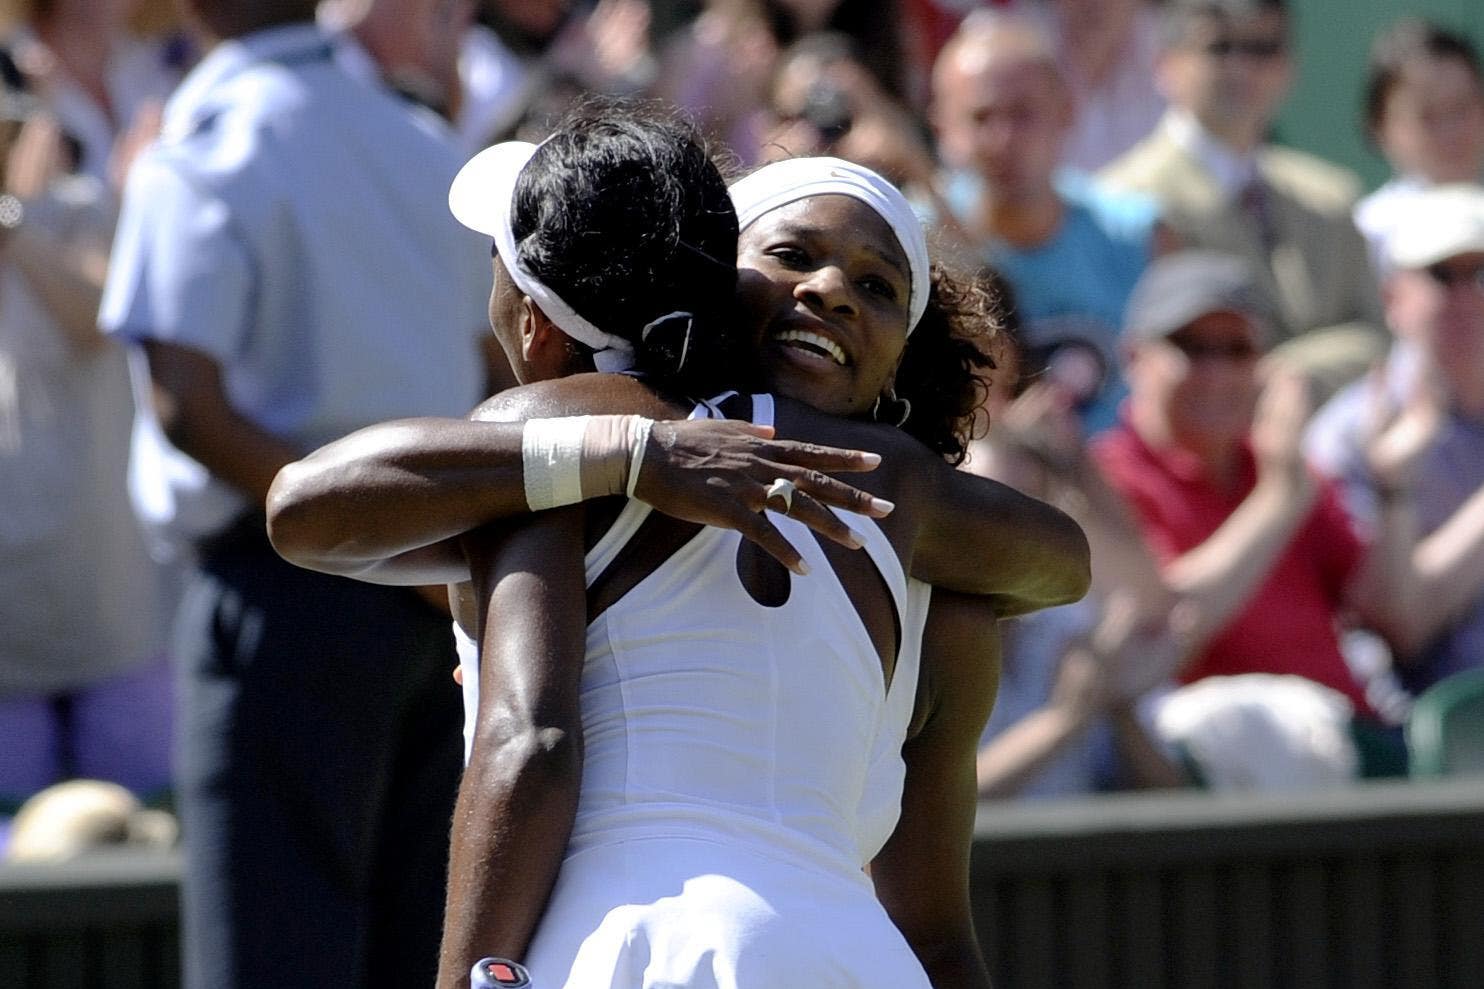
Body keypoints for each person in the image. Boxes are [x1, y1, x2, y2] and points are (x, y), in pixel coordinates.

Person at [267, 118, 1091, 987]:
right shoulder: (930, 535)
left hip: (633, 948)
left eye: (877, 286)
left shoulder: (562, 434)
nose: (831, 290)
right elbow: (936, 933)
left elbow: (527, 735)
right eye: (793, 253)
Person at [97, 1, 496, 986]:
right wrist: (414, 554)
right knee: (411, 948)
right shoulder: (423, 143)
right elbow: (495, 371)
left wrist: (357, 531)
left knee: (268, 962)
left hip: (283, 594)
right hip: (427, 604)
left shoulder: (202, 148)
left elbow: (190, 404)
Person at [1090, 249, 1424, 777]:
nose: (1217, 372)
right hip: (1224, 769)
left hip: (1350, 738)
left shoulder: (1276, 463)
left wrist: (1392, 486)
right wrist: (1279, 496)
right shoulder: (1106, 477)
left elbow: (1395, 618)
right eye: (1194, 348)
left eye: (1237, 349)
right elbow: (1163, 629)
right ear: (1135, 358)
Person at [1099, 0, 1386, 400]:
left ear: (1289, 66)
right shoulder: (1122, 202)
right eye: (1220, 47)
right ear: (1165, 64)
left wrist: (1287, 373)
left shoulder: (1330, 197)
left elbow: (1376, 337)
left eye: (1263, 48)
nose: (1242, 67)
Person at [929, 11, 1159, 434]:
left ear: (1067, 111)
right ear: (942, 126)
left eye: (1023, 114)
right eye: (981, 117)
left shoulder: (1139, 235)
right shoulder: (915, 235)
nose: (1003, 140)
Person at [1307, 183, 1484, 699]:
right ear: (1392, 298)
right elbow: (1403, 627)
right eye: (1443, 275)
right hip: (1433, 722)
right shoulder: (1348, 434)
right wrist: (1394, 485)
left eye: (1481, 275)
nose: (1467, 298)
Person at [1353, 18, 1484, 277]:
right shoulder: (1365, 234)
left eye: (1462, 108)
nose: (1451, 131)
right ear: (1380, 126)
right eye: (1427, 115)